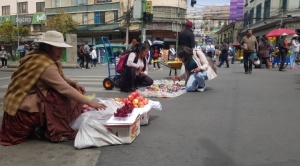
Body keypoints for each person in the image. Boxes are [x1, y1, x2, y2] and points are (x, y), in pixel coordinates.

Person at [0, 31, 107, 146]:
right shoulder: (45, 64)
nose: (61, 52)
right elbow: (63, 88)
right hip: (21, 114)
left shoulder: (39, 57)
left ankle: (45, 126)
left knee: (66, 93)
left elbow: (60, 77)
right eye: (57, 49)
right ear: (47, 47)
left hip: (17, 106)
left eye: (61, 49)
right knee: (63, 98)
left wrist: (74, 82)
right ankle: (58, 130)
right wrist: (90, 102)